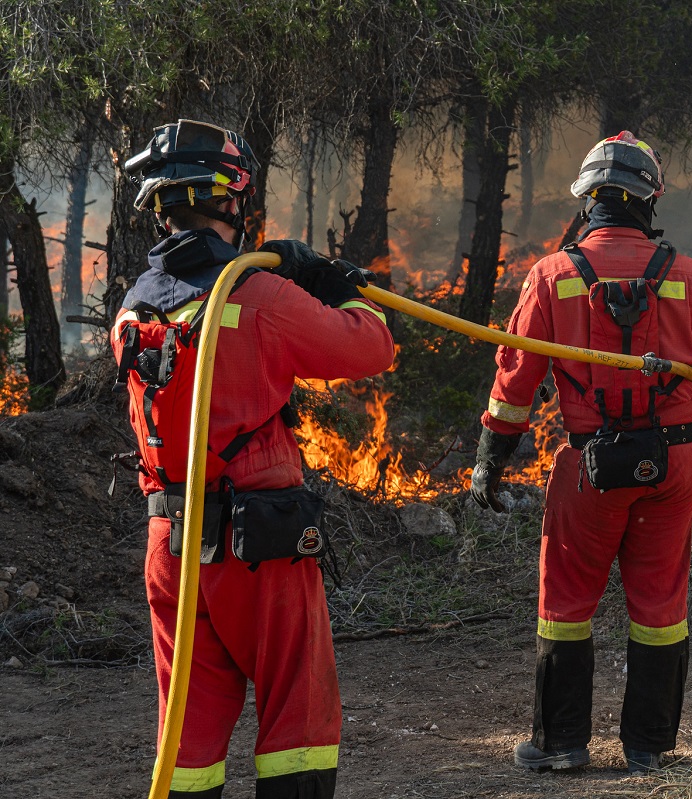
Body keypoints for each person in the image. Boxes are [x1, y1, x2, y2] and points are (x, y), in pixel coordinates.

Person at [112, 118, 395, 799]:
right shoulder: (258, 296)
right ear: (229, 199)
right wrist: (333, 282)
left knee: (189, 734)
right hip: (258, 549)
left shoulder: (132, 309)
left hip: (172, 547)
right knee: (296, 723)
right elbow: (372, 346)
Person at [469, 131, 692, 774]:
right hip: (673, 466)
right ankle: (648, 747)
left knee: (566, 600)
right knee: (660, 602)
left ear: (587, 201)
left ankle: (561, 745)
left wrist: (489, 463)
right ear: (649, 201)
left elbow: (515, 387)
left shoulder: (554, 276)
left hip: (590, 467)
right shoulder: (691, 277)